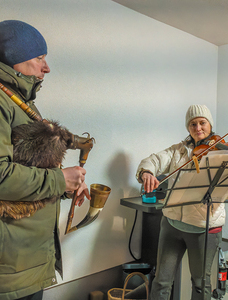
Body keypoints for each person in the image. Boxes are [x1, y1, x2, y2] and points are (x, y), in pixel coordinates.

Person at [0, 20, 91, 300]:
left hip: (26, 258)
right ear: (15, 57)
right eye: (40, 57)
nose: (46, 67)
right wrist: (59, 179)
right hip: (12, 264)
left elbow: (30, 166)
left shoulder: (18, 100)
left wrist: (64, 185)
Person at [136, 104, 228, 300]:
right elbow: (154, 160)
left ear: (210, 124)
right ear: (188, 127)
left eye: (202, 123)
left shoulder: (223, 152)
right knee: (161, 281)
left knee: (201, 284)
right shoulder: (179, 151)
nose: (198, 128)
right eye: (193, 124)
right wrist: (147, 172)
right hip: (172, 224)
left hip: (204, 228)